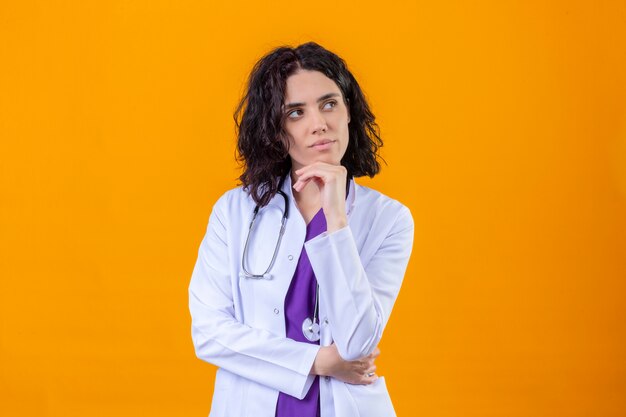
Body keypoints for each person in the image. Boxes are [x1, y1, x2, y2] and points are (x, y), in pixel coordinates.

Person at [188, 42, 414, 417]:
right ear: (276, 131)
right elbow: (210, 334)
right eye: (296, 113)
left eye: (329, 104)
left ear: (349, 112)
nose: (318, 123)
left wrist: (337, 220)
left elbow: (358, 341)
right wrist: (320, 361)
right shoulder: (235, 211)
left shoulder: (389, 219)